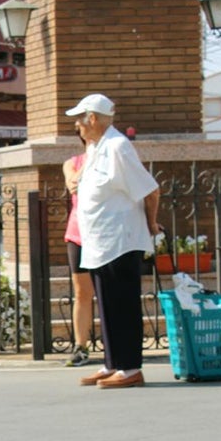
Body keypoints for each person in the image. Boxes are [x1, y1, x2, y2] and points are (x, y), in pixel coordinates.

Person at [65, 93, 160, 389]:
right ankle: (113, 363)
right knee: (107, 304)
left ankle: (130, 368)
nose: (78, 126)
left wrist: (149, 225)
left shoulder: (118, 147)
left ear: (93, 118)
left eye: (80, 119)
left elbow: (150, 190)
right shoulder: (96, 148)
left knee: (122, 304)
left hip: (121, 241)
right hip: (100, 243)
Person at [62, 132, 95, 367]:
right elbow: (74, 185)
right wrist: (90, 161)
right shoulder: (73, 163)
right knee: (82, 291)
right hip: (78, 234)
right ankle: (81, 346)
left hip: (106, 235)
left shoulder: (114, 161)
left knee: (108, 292)